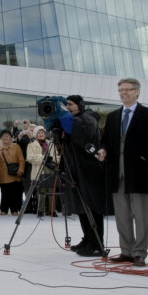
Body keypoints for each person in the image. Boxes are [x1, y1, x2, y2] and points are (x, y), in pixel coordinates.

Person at [96, 78, 148, 265]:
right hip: (116, 173)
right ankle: (126, 250)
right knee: (122, 217)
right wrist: (103, 150)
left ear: (137, 91)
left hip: (139, 173)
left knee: (141, 217)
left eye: (127, 89)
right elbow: (106, 141)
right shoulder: (112, 117)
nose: (123, 93)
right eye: (120, 90)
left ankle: (139, 252)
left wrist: (144, 157)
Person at [58, 96, 108, 257]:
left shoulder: (88, 117)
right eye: (66, 106)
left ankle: (96, 243)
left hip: (90, 170)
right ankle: (87, 238)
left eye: (70, 105)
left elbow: (83, 132)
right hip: (76, 170)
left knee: (92, 207)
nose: (68, 108)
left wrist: (64, 116)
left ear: (80, 105)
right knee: (82, 207)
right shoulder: (76, 119)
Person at [25, 126, 57, 214]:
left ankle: (52, 211)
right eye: (39, 133)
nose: (41, 134)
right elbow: (30, 158)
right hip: (39, 169)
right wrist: (44, 158)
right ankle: (40, 210)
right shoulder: (31, 144)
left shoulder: (50, 144)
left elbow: (56, 156)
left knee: (51, 190)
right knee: (41, 190)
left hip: (50, 169)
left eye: (42, 132)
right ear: (35, 135)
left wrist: (53, 159)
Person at [0, 130, 25, 215]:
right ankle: (3, 209)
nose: (5, 138)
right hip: (2, 174)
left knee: (15, 192)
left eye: (7, 136)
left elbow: (21, 160)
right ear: (0, 138)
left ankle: (14, 209)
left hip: (15, 173)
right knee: (4, 192)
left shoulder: (16, 146)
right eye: (3, 136)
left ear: (11, 137)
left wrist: (21, 170)